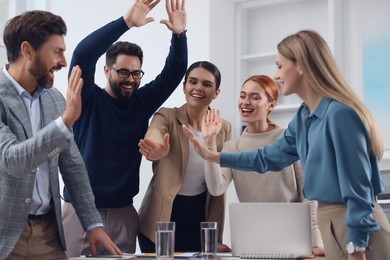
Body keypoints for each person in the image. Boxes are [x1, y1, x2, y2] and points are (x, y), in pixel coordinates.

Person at [183, 30, 390, 260]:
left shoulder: (340, 115)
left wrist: (355, 249)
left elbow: (359, 192)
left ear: (300, 66)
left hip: (358, 233)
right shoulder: (303, 118)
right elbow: (266, 158)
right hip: (332, 224)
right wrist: (213, 156)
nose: (277, 74)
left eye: (280, 66)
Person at [61, 0, 188, 257]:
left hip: (123, 213)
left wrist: (179, 34)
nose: (130, 79)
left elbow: (175, 71)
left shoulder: (141, 102)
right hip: (79, 211)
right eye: (123, 72)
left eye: (136, 73)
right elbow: (83, 55)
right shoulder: (88, 97)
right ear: (106, 70)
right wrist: (126, 22)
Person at [0, 10, 122, 259]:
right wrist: (65, 121)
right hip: (5, 236)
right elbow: (13, 160)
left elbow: (73, 165)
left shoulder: (55, 99)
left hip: (48, 234)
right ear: (27, 50)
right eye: (57, 52)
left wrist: (93, 224)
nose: (64, 62)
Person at [200, 74, 325, 256]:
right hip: (255, 240)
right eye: (242, 95)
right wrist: (209, 143)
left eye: (255, 97)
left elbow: (309, 195)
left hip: (294, 238)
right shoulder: (233, 147)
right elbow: (216, 187)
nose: (245, 102)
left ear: (271, 105)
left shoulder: (289, 139)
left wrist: (315, 242)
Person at [137, 61, 232, 252]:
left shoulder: (223, 128)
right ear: (184, 86)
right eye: (193, 82)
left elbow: (221, 178)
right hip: (159, 223)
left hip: (200, 222)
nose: (198, 88)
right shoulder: (167, 116)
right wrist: (156, 149)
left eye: (206, 84)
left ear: (216, 93)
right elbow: (155, 133)